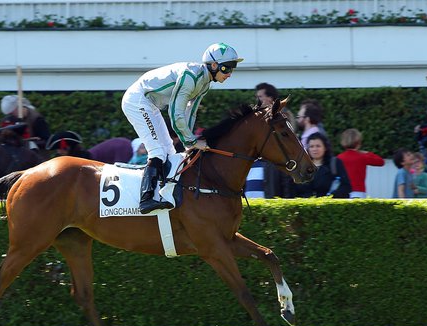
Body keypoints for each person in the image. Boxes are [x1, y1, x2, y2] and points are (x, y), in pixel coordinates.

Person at [122, 42, 243, 213]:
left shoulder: (205, 83)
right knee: (157, 151)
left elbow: (190, 113)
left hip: (150, 104)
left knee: (170, 151)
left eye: (232, 69)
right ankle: (146, 200)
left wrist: (189, 143)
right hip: (137, 101)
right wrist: (191, 141)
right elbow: (175, 113)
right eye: (226, 68)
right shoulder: (190, 77)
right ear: (214, 65)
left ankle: (162, 194)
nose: (229, 73)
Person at [250, 82, 296, 198]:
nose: (257, 100)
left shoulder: (283, 116)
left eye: (260, 97)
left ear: (270, 98)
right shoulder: (258, 117)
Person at [293, 133, 351, 198]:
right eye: (311, 146)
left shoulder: (334, 163)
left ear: (325, 148)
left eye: (318, 146)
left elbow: (346, 186)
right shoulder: (301, 166)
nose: (314, 149)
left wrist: (330, 197)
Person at [336, 128, 385, 198]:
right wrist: (367, 153)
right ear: (358, 143)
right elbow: (381, 162)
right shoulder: (362, 157)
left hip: (342, 191)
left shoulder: (339, 158)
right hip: (359, 192)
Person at [46, 131, 133, 164]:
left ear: (69, 148)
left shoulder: (85, 160)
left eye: (61, 149)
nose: (59, 152)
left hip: (121, 149)